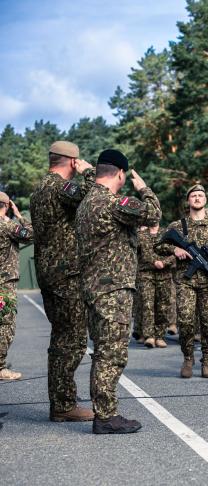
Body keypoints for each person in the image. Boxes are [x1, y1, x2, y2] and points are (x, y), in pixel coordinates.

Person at [76, 149, 161, 434]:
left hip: (93, 288)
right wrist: (144, 189)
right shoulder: (114, 203)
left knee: (102, 352)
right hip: (113, 290)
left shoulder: (86, 202)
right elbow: (153, 215)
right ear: (121, 174)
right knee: (111, 354)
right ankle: (106, 416)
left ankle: (104, 411)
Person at [29, 141, 94, 421]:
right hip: (66, 273)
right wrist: (89, 173)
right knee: (74, 339)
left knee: (60, 338)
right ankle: (64, 404)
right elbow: (93, 196)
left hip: (47, 272)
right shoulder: (59, 187)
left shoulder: (38, 189)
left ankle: (61, 399)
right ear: (71, 162)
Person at [159, 185, 208, 378]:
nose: (197, 198)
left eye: (200, 195)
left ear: (205, 200)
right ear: (188, 200)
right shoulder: (177, 226)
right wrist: (175, 250)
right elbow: (159, 243)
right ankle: (188, 358)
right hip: (185, 281)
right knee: (186, 321)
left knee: (207, 324)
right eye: (194, 196)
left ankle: (207, 362)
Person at [0, 192, 33, 381]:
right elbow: (31, 234)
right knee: (6, 325)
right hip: (4, 283)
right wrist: (19, 216)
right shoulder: (7, 226)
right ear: (7, 205)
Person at [137, 224, 176, 348]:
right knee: (147, 305)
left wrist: (164, 262)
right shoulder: (141, 235)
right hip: (146, 274)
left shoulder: (168, 233)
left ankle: (160, 336)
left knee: (163, 306)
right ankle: (149, 336)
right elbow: (140, 253)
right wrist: (155, 261)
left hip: (164, 275)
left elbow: (176, 253)